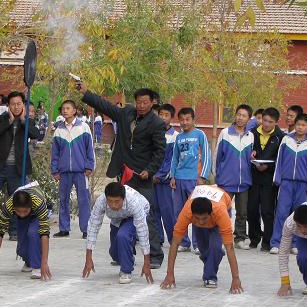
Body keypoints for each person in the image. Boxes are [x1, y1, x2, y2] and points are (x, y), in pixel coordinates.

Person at [77, 82, 166, 268]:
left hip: (142, 176)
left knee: (146, 215)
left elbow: (159, 152)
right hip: (123, 172)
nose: (141, 106)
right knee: (120, 213)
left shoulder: (157, 123)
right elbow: (106, 106)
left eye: (145, 102)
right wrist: (86, 92)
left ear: (152, 103)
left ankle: (155, 256)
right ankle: (122, 253)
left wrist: (149, 170)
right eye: (138, 102)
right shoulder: (126, 113)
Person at [0, 91, 40, 238]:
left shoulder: (28, 121)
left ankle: (14, 231)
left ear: (23, 105)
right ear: (8, 105)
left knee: (17, 199)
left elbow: (35, 134)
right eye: (13, 104)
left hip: (18, 168)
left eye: (19, 104)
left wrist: (22, 120)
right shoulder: (3, 118)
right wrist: (10, 120)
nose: (16, 107)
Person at [161, 184, 244, 292]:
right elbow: (175, 243)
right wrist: (169, 274)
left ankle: (210, 276)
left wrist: (236, 278)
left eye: (204, 218)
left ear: (211, 214)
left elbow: (230, 248)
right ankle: (214, 257)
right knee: (204, 250)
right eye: (197, 218)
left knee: (215, 248)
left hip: (223, 204)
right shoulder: (187, 212)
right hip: (202, 204)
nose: (201, 222)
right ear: (192, 214)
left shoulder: (220, 213)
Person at [82, 181, 153, 285]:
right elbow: (93, 227)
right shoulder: (101, 201)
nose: (113, 205)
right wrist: (88, 258)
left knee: (123, 235)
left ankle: (126, 271)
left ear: (123, 198)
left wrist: (146, 263)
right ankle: (129, 258)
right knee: (114, 253)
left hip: (134, 216)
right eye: (110, 201)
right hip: (117, 218)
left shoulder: (134, 203)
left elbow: (143, 232)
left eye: (117, 201)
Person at [271, 113, 307, 253]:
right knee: (281, 213)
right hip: (286, 183)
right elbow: (279, 160)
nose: (300, 127)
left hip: (303, 185)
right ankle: (276, 243)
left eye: (303, 125)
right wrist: (277, 178)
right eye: (298, 124)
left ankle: (295, 244)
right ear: (294, 125)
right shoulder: (286, 140)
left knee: (299, 215)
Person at [0, 182, 52, 280]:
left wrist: (44, 262)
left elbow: (45, 234)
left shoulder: (38, 203)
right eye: (18, 211)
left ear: (30, 206)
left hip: (38, 214)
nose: (22, 214)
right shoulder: (8, 206)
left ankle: (37, 266)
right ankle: (29, 262)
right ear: (13, 207)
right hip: (25, 215)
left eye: (25, 211)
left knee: (33, 233)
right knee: (22, 248)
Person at [169, 107, 212, 254]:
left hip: (195, 179)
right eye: (181, 120)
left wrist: (203, 176)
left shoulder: (200, 134)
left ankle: (198, 243)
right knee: (179, 212)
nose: (184, 122)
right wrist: (172, 176)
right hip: (179, 178)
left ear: (193, 119)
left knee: (197, 212)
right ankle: (184, 242)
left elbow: (206, 156)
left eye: (187, 119)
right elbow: (174, 158)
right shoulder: (178, 138)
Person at [51, 100, 95, 239]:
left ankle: (86, 229)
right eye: (63, 108)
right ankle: (64, 229)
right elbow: (55, 153)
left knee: (84, 200)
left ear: (74, 111)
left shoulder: (84, 127)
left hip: (81, 171)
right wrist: (55, 170)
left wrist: (89, 166)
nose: (65, 111)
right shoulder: (58, 130)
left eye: (68, 108)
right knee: (63, 200)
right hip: (64, 172)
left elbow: (90, 149)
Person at [215, 104, 254, 249]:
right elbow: (217, 156)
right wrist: (217, 176)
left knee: (242, 213)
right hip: (226, 181)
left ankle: (240, 238)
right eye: (238, 114)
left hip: (244, 181)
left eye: (244, 116)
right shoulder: (225, 133)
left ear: (249, 119)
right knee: (223, 211)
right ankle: (222, 237)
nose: (240, 118)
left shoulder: (251, 136)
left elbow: (251, 158)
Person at [248, 107, 285, 252]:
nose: (267, 124)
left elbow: (281, 158)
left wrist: (269, 166)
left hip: (270, 179)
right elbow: (246, 150)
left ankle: (267, 241)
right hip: (254, 176)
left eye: (270, 122)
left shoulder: (281, 137)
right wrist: (251, 154)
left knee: (267, 211)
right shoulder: (252, 133)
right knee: (251, 210)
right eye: (265, 120)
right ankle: (254, 237)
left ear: (276, 122)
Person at [152, 104, 177, 246]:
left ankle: (174, 239)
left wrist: (160, 175)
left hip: (165, 181)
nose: (162, 117)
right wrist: (150, 173)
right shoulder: (152, 133)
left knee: (168, 211)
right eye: (160, 114)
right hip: (151, 178)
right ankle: (157, 238)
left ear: (171, 117)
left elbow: (172, 160)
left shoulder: (175, 137)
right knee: (153, 209)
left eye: (166, 115)